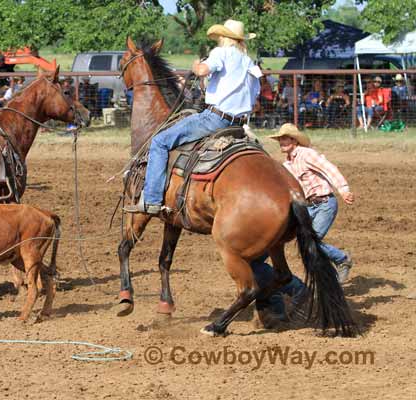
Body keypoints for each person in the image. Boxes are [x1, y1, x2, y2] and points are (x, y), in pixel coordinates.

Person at [124, 19, 261, 214]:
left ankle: (152, 200)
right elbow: (255, 101)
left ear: (224, 37)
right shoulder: (249, 63)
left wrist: (197, 64)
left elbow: (202, 70)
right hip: (240, 125)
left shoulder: (221, 53)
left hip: (214, 119)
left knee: (160, 141)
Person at [268, 123, 355, 283]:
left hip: (324, 204)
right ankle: (327, 274)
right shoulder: (287, 165)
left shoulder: (306, 154)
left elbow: (329, 169)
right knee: (305, 243)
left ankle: (342, 259)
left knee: (311, 243)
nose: (281, 142)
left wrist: (343, 189)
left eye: (285, 138)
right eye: (280, 139)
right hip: (308, 207)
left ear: (294, 140)